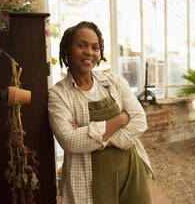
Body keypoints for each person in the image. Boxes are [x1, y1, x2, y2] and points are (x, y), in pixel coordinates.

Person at [48, 21, 154, 204]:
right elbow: (70, 140)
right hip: (90, 181)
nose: (89, 52)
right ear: (67, 49)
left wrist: (95, 136)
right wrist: (120, 119)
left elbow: (139, 120)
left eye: (95, 47)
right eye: (81, 45)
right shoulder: (59, 94)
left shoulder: (114, 82)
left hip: (131, 172)